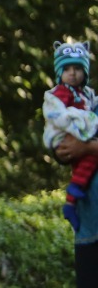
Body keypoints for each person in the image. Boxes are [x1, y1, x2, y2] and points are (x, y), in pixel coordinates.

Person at [42, 41, 98, 231]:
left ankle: (72, 199)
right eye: (67, 69)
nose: (72, 73)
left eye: (77, 69)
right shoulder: (64, 95)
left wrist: (89, 147)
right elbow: (64, 149)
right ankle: (71, 202)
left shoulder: (87, 97)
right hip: (90, 223)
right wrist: (66, 148)